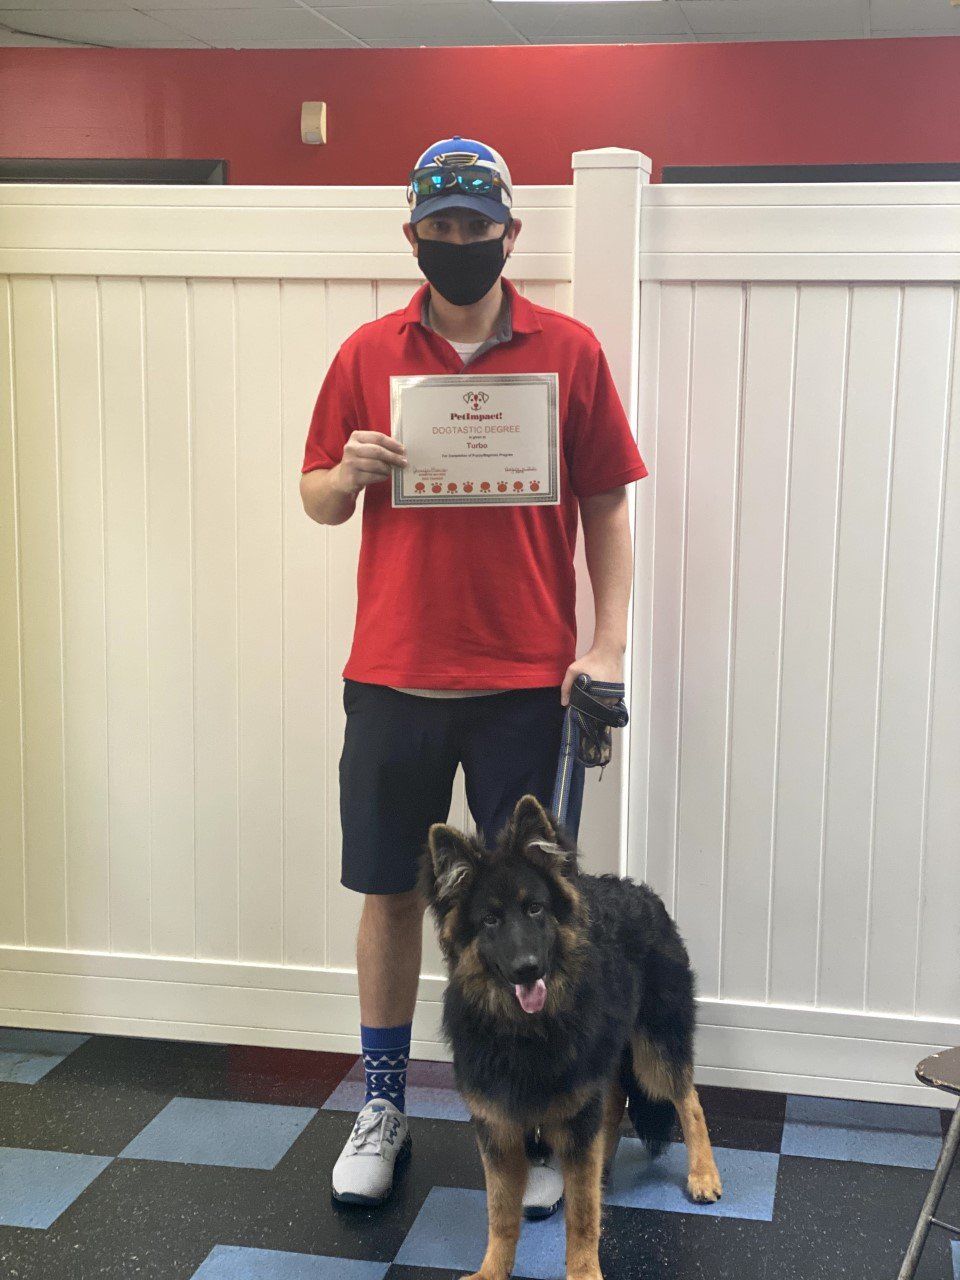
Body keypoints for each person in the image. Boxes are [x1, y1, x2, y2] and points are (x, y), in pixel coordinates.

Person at [299, 135, 649, 1214]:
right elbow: (312, 494)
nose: (461, 243)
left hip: (520, 687)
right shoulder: (367, 351)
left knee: (533, 911)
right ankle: (387, 1102)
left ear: (510, 233)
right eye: (441, 227)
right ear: (415, 234)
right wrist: (345, 475)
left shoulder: (572, 352)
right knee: (390, 893)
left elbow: (607, 505)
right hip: (394, 676)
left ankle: (540, 1117)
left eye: (477, 226)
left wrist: (609, 644)